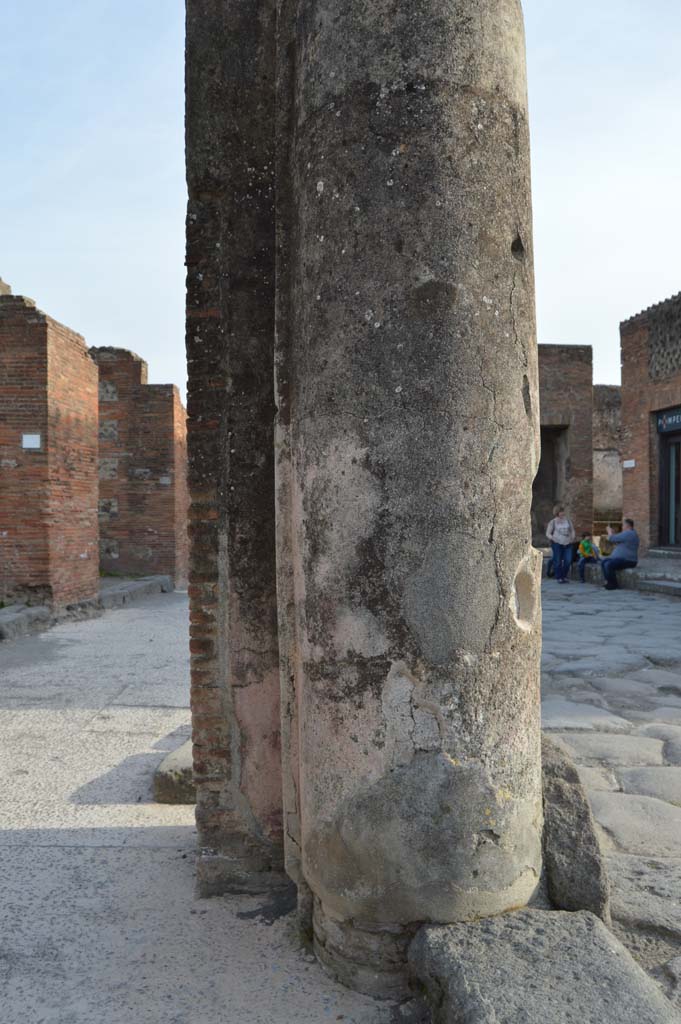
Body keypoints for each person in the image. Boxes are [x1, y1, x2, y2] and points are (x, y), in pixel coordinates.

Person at [601, 518, 640, 591]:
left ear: (627, 526)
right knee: (604, 562)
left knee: (608, 564)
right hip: (623, 559)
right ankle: (608, 582)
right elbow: (617, 540)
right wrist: (612, 533)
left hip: (628, 560)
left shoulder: (629, 533)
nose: (622, 527)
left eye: (623, 525)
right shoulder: (629, 534)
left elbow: (611, 539)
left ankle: (613, 584)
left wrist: (609, 532)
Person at [546, 505, 576, 584]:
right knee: (558, 561)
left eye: (563, 511)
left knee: (568, 560)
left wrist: (572, 537)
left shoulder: (568, 521)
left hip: (568, 543)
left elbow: (572, 530)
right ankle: (559, 577)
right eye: (561, 512)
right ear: (557, 513)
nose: (562, 513)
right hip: (557, 544)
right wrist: (553, 538)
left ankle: (564, 576)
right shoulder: (553, 522)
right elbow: (548, 533)